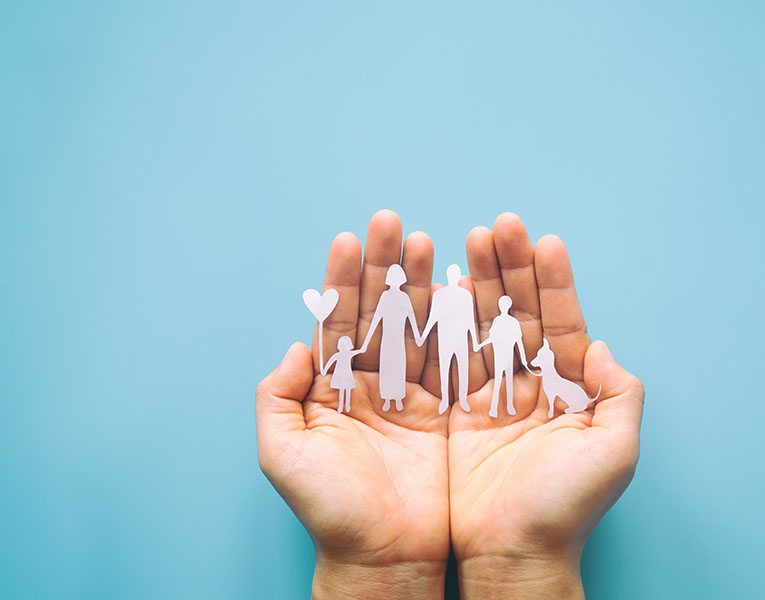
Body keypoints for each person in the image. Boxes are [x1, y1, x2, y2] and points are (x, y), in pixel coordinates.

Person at [256, 210, 644, 599]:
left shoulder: (492, 318)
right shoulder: (432, 305)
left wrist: (526, 560)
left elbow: (439, 326)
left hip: (468, 347)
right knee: (405, 370)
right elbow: (416, 324)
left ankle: (455, 400)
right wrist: (368, 565)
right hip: (427, 344)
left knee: (458, 376)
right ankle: (419, 396)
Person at [359, 263, 423, 411]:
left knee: (399, 368)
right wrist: (365, 343)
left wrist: (419, 337)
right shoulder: (385, 296)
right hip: (387, 341)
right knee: (387, 368)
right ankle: (387, 399)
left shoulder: (404, 298)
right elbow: (376, 319)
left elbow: (412, 319)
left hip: (399, 342)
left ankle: (398, 398)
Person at [419, 264, 479, 414]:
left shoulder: (466, 295)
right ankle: (445, 399)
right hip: (445, 338)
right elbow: (433, 317)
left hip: (460, 338)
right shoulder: (439, 295)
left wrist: (476, 341)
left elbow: (470, 318)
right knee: (444, 369)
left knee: (463, 369)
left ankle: (463, 399)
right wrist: (423, 336)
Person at [475, 295, 532, 418]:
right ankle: (494, 408)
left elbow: (519, 342)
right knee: (499, 381)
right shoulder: (498, 321)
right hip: (499, 356)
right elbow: (492, 338)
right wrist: (480, 345)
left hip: (508, 356)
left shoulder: (512, 322)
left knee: (507, 382)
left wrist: (524, 359)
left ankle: (509, 407)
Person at [320, 335, 364, 413]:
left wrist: (362, 349)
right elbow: (330, 361)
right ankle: (340, 406)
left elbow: (359, 351)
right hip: (339, 374)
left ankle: (347, 405)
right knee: (341, 390)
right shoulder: (337, 355)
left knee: (347, 390)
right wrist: (325, 370)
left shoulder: (349, 354)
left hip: (347, 374)